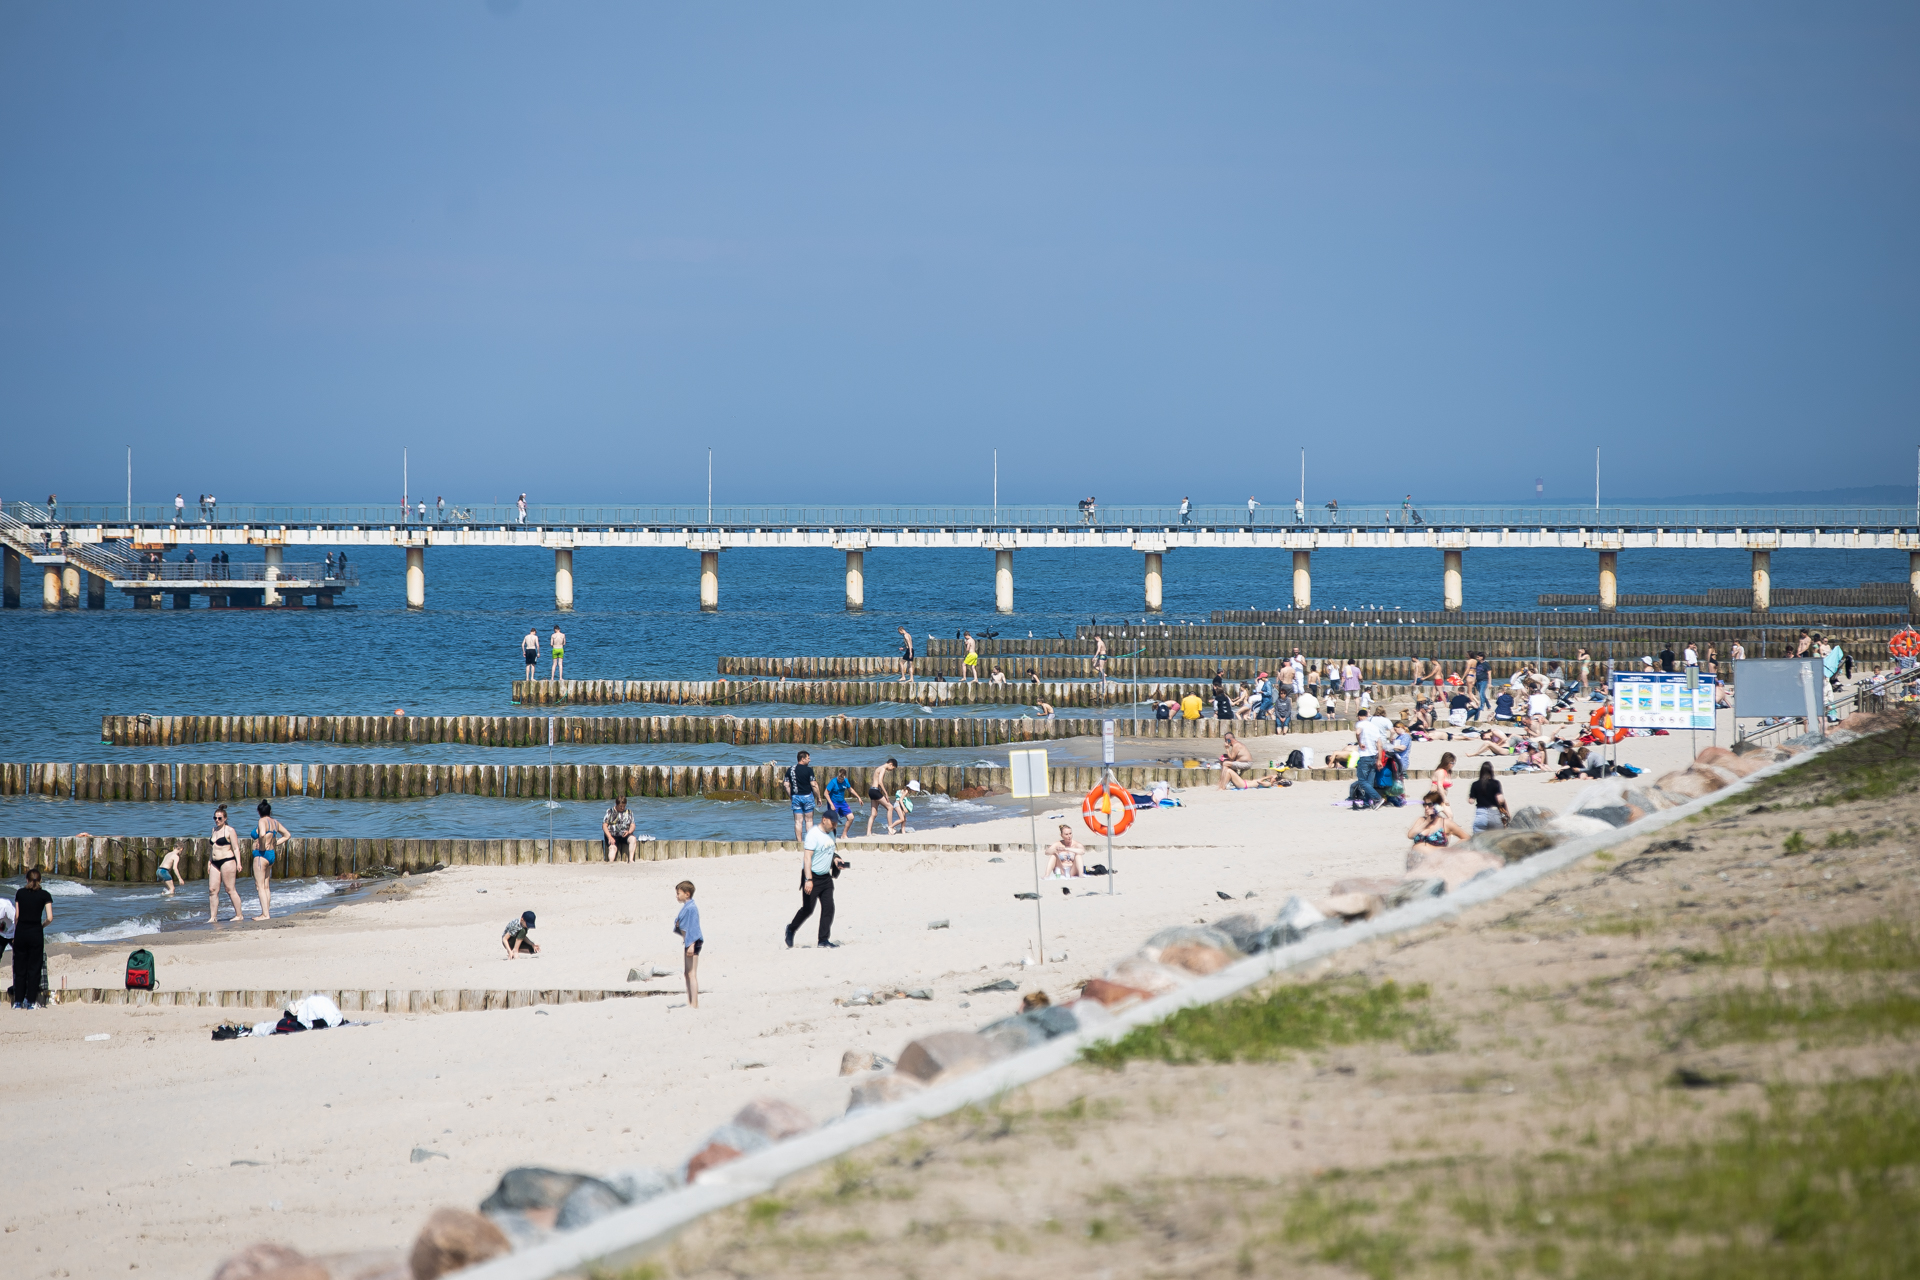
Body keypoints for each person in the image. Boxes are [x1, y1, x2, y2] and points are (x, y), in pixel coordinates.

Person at [786, 811, 840, 948]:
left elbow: (829, 850)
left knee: (829, 908)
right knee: (808, 909)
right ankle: (791, 928)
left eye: (835, 823)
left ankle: (823, 940)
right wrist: (808, 879)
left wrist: (836, 859)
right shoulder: (813, 834)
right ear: (824, 820)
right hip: (812, 876)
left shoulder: (832, 832)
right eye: (832, 823)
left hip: (826, 877)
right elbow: (807, 858)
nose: (834, 826)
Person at [10, 868, 52, 1008]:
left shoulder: (20, 893)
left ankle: (18, 1001)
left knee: (20, 968)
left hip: (21, 932)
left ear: (26, 880)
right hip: (36, 933)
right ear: (40, 881)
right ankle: (30, 1001)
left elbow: (16, 916)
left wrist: (17, 930)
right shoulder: (45, 895)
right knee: (34, 968)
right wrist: (41, 926)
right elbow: (50, 918)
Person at [250, 800, 289, 920]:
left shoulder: (262, 821)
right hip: (271, 854)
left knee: (260, 886)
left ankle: (265, 914)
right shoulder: (275, 822)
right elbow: (287, 835)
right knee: (266, 886)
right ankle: (267, 912)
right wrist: (275, 843)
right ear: (270, 811)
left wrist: (261, 846)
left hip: (261, 855)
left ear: (258, 811)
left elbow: (262, 834)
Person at [207, 806, 246, 923]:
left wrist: (239, 863)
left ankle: (239, 915)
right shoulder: (214, 830)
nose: (217, 820)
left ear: (225, 818)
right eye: (215, 818)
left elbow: (235, 848)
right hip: (214, 862)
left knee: (230, 889)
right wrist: (209, 862)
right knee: (212, 889)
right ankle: (213, 917)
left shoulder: (230, 830)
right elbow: (213, 848)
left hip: (227, 861)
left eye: (219, 818)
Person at [673, 881, 701, 1007]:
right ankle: (690, 1000)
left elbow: (694, 927)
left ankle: (694, 1003)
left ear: (687, 894)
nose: (677, 896)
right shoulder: (687, 907)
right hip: (689, 941)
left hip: (693, 942)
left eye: (679, 893)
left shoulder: (692, 908)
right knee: (687, 973)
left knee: (691, 973)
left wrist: (691, 944)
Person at [783, 750, 821, 844]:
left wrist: (791, 796)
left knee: (798, 821)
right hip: (807, 796)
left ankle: (799, 843)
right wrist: (819, 797)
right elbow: (814, 785)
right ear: (803, 759)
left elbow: (786, 785)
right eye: (808, 758)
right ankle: (809, 842)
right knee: (809, 821)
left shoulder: (790, 769)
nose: (810, 760)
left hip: (796, 796)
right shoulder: (809, 770)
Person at [1468, 762, 1509, 831]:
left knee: (1478, 840)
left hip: (1480, 815)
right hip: (1494, 813)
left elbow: (1471, 801)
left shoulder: (1475, 784)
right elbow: (1500, 800)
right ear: (1491, 771)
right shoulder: (1495, 783)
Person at [864, 758, 898, 836]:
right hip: (875, 791)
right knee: (890, 807)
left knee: (874, 814)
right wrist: (886, 793)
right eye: (892, 768)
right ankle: (890, 828)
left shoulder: (878, 768)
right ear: (890, 764)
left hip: (871, 791)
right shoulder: (883, 769)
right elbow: (880, 782)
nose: (891, 770)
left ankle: (868, 833)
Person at [603, 796, 636, 861]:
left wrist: (629, 832)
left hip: (625, 834)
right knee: (613, 847)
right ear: (616, 804)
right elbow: (604, 825)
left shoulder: (629, 812)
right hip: (612, 835)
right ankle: (611, 862)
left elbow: (632, 825)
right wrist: (609, 837)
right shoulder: (610, 811)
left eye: (624, 806)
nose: (622, 808)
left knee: (633, 839)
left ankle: (631, 860)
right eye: (620, 806)